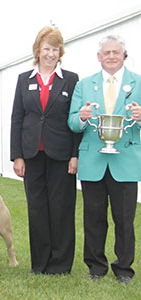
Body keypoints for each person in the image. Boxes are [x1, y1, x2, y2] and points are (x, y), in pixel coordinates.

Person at [68, 35, 141, 284]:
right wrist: (83, 116)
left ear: (124, 55)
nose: (111, 56)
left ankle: (123, 269)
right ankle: (96, 267)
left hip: (126, 163)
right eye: (106, 52)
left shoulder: (139, 83)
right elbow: (73, 123)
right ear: (99, 57)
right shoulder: (84, 85)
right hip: (93, 163)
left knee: (125, 220)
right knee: (94, 219)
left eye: (116, 52)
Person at [10, 27, 81, 275]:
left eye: (55, 49)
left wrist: (75, 154)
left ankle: (60, 265)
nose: (50, 54)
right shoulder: (23, 79)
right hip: (31, 155)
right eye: (46, 48)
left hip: (61, 155)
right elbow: (17, 118)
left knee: (61, 208)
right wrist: (17, 155)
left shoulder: (71, 79)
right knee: (37, 209)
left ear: (60, 52)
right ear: (37, 50)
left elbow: (75, 120)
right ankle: (39, 263)